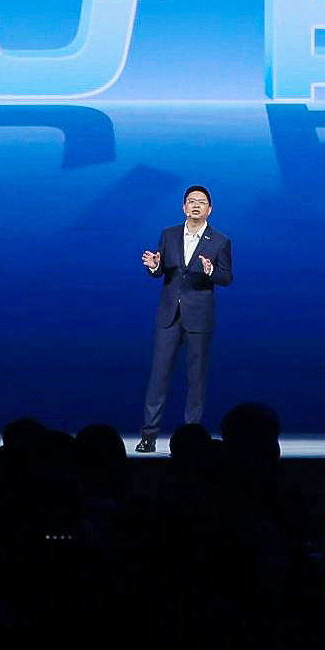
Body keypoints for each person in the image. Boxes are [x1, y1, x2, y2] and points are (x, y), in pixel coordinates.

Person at [134, 183, 232, 453]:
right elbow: (160, 270)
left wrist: (211, 271)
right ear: (183, 207)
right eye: (191, 201)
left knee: (196, 379)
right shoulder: (169, 235)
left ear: (210, 209)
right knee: (158, 377)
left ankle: (191, 438)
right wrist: (154, 267)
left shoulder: (220, 240)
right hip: (169, 316)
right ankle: (148, 436)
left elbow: (226, 278)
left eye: (201, 202)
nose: (196, 205)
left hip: (199, 318)